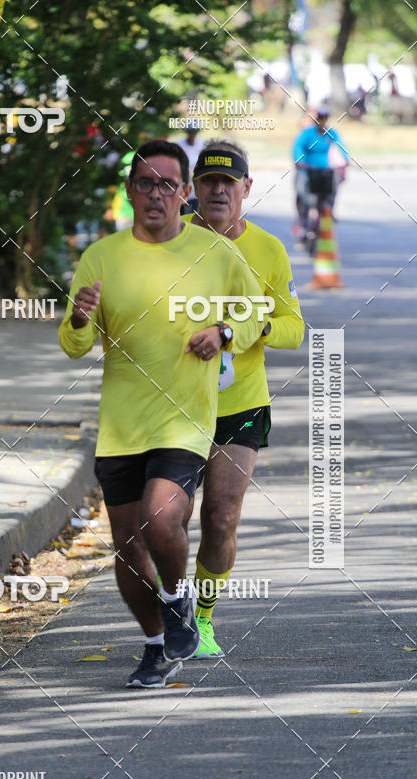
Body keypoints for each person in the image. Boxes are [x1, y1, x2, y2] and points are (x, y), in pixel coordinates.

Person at [59, 139, 262, 688]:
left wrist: (223, 333)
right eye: (144, 183)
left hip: (185, 418)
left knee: (161, 517)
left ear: (185, 193)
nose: (155, 195)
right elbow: (74, 346)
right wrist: (79, 320)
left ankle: (176, 598)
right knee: (127, 546)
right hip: (121, 424)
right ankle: (156, 645)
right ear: (129, 192)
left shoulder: (216, 254)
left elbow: (255, 317)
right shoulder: (101, 256)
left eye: (167, 185)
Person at [183, 140, 304, 657]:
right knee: (166, 519)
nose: (217, 190)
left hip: (242, 403)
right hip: (177, 401)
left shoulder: (269, 251)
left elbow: (295, 329)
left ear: (246, 189)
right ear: (192, 189)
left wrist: (244, 331)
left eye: (228, 182)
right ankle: (172, 610)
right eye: (208, 181)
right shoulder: (170, 243)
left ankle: (202, 618)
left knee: (222, 516)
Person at [293, 107, 348, 236]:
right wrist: (299, 160)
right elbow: (298, 147)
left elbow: (341, 145)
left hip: (324, 168)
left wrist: (345, 160)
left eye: (324, 119)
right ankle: (303, 223)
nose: (322, 122)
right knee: (304, 195)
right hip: (307, 169)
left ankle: (329, 212)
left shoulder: (331, 132)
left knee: (332, 189)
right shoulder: (307, 133)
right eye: (319, 119)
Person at [176, 127, 202, 213]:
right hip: (183, 182)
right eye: (190, 132)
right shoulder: (179, 145)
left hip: (195, 183)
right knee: (182, 209)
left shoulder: (202, 144)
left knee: (195, 208)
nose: (192, 135)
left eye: (194, 132)